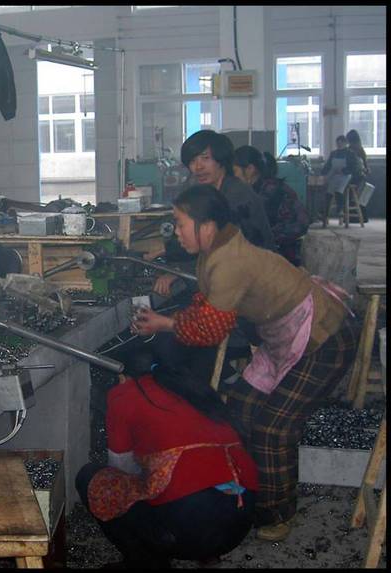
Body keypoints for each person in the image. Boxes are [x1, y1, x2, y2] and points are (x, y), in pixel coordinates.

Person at [131, 185, 359, 542]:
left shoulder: (229, 262)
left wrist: (166, 323)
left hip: (324, 338)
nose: (176, 232)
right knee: (239, 408)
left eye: (180, 224)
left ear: (207, 226)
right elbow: (205, 305)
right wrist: (172, 314)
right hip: (286, 336)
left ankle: (277, 514)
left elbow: (210, 328)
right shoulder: (214, 252)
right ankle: (247, 491)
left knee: (273, 429)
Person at [75, 350, 258, 568]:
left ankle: (146, 563)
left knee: (91, 479)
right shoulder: (192, 386)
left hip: (189, 531)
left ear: (122, 376)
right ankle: (207, 552)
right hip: (240, 523)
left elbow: (121, 467)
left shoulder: (124, 394)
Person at [149, 130, 274, 299]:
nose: (198, 167)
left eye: (205, 158)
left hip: (254, 284)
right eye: (192, 161)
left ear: (221, 160)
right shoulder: (207, 192)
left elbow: (228, 250)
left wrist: (181, 271)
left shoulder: (237, 196)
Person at [233, 146, 310, 266]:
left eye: (234, 171)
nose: (233, 177)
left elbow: (301, 222)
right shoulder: (254, 190)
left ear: (250, 169)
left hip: (281, 257)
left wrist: (269, 237)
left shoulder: (269, 192)